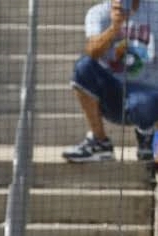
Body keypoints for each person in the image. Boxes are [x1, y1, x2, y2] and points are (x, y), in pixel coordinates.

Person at [63, 0, 158, 162]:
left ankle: (147, 138)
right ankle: (100, 142)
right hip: (112, 92)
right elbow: (92, 52)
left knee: (144, 102)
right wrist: (114, 27)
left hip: (147, 95)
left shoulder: (155, 10)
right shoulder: (98, 12)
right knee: (83, 67)